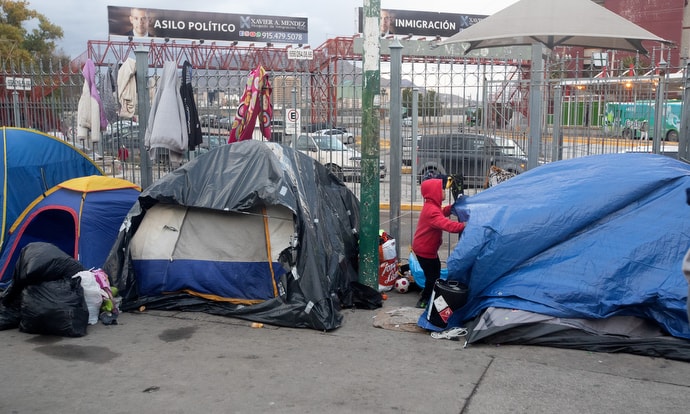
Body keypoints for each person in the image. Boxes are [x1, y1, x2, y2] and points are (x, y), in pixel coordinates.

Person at [412, 176, 467, 309]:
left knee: (433, 274)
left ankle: (428, 293)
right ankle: (425, 299)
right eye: (441, 189)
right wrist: (464, 225)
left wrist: (452, 208)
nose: (444, 191)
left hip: (426, 249)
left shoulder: (432, 207)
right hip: (425, 251)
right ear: (434, 192)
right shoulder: (431, 211)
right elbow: (447, 225)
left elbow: (442, 213)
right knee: (433, 276)